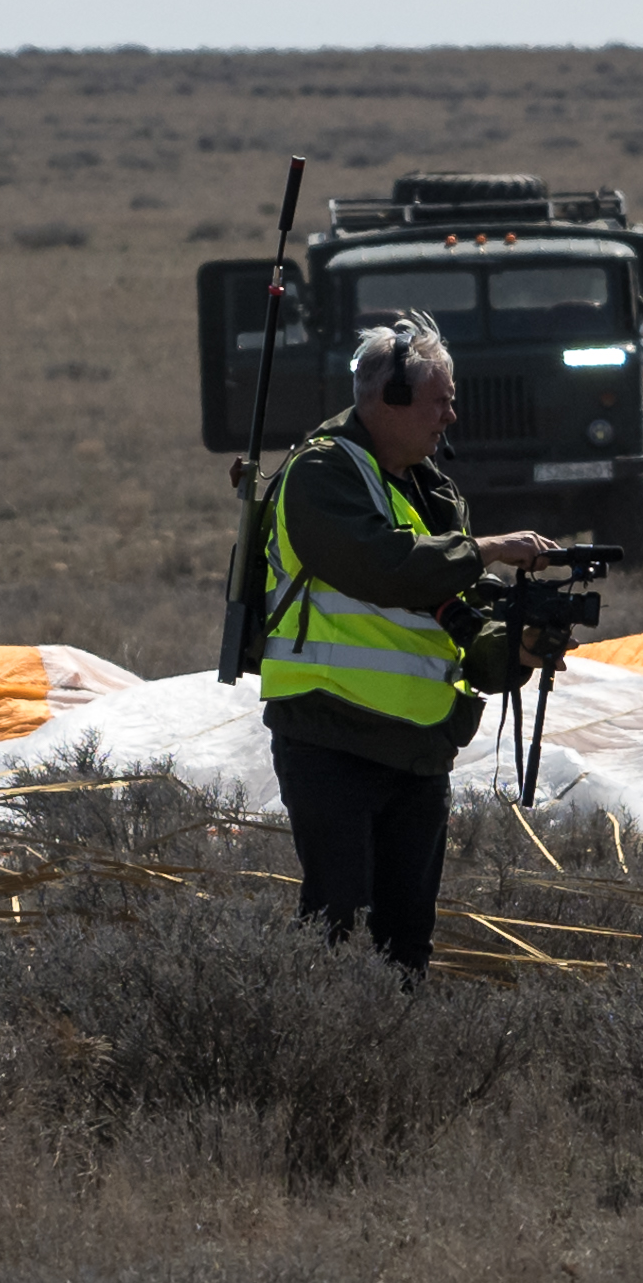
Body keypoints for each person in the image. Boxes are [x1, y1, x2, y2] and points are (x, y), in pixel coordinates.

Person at [255, 313, 569, 973]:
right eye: (440, 401)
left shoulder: (432, 492)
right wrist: (488, 548)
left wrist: (516, 648)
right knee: (336, 926)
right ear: (389, 400)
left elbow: (455, 617)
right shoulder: (321, 472)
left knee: (406, 943)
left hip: (418, 750)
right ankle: (306, 1038)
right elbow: (384, 565)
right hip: (331, 735)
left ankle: (397, 1040)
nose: (451, 417)